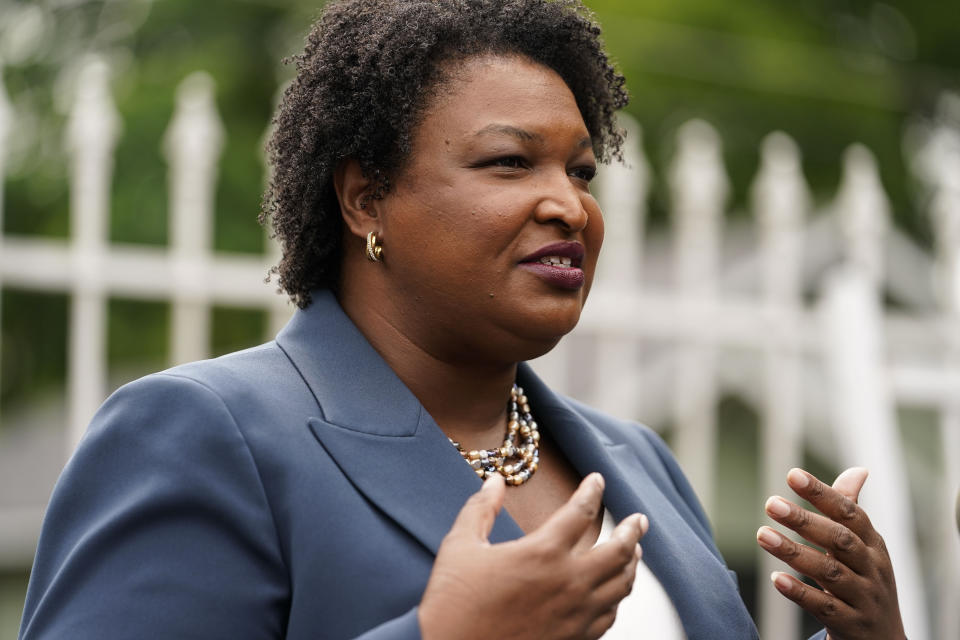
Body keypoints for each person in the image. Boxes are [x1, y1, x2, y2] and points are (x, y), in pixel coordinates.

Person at [19, 1, 906, 639]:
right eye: (511, 162)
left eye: (583, 172)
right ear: (366, 199)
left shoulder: (639, 461)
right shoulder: (204, 434)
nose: (568, 205)